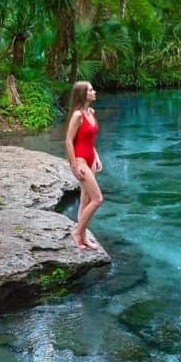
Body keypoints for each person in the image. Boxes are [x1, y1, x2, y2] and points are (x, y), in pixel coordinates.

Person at [65, 81, 103, 251]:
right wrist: (73, 164)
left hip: (91, 160)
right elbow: (68, 141)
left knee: (86, 199)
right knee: (97, 199)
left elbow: (90, 140)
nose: (94, 92)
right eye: (90, 90)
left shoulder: (91, 112)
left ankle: (84, 237)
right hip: (80, 161)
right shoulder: (77, 115)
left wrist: (97, 157)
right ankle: (77, 232)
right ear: (83, 94)